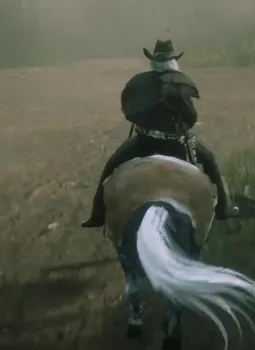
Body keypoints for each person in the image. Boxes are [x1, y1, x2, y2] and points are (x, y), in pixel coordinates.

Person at [81, 39, 229, 228]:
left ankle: (98, 214)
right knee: (210, 161)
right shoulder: (180, 82)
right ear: (173, 61)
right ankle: (223, 209)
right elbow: (191, 117)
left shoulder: (139, 83)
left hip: (143, 143)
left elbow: (129, 111)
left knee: (111, 166)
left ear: (153, 61)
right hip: (177, 145)